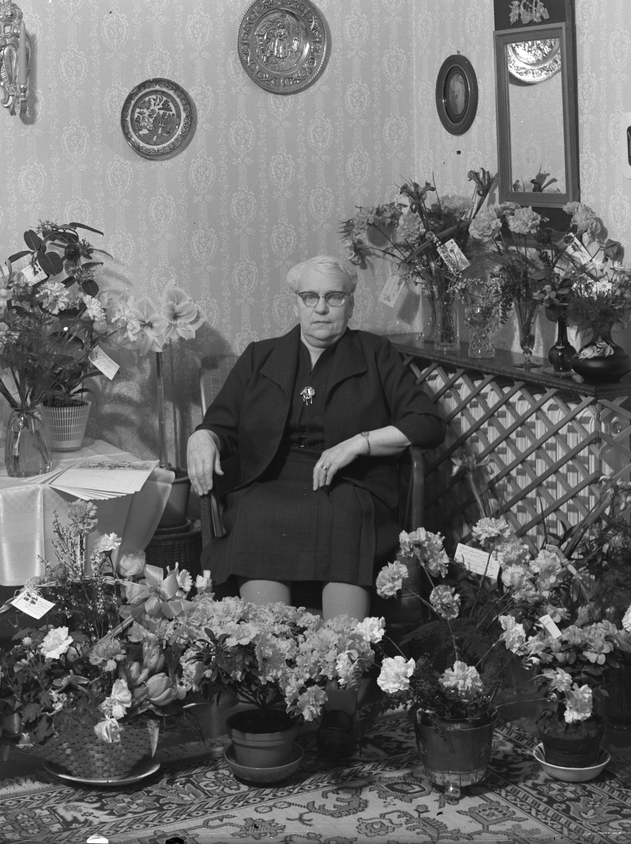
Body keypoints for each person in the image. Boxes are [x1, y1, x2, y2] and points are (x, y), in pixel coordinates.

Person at [185, 254, 445, 752]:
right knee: (257, 515)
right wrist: (202, 437)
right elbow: (220, 423)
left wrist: (358, 444)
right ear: (297, 303)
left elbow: (427, 424)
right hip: (271, 481)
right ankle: (271, 693)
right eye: (311, 297)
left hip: (350, 484)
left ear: (351, 303)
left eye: (334, 297)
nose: (321, 308)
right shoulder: (261, 356)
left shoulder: (375, 354)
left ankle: (339, 705)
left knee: (345, 519)